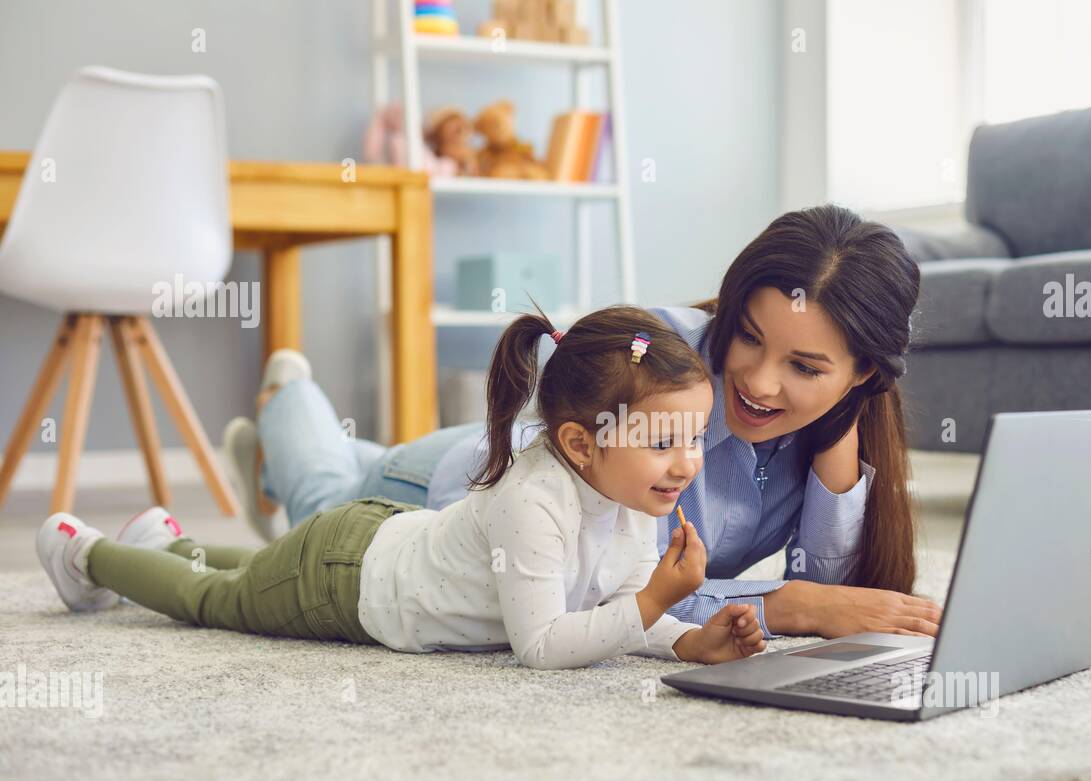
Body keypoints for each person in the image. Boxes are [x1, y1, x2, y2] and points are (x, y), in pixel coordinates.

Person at [225, 205, 943, 641]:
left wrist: (838, 434)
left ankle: (301, 448)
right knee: (319, 511)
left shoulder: (831, 426)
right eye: (748, 335)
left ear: (865, 375)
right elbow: (617, 594)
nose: (756, 381)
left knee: (341, 473)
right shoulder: (653, 349)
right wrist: (790, 608)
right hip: (452, 490)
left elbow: (838, 593)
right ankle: (290, 400)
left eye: (807, 368)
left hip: (469, 471)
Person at [35, 307, 765, 670]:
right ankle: (86, 552)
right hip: (346, 583)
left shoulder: (634, 497)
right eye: (665, 443)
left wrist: (687, 641)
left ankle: (168, 544)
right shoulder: (535, 502)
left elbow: (614, 613)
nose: (688, 463)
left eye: (694, 438)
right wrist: (656, 602)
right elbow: (542, 645)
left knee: (248, 570)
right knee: (212, 602)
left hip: (375, 537)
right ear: (580, 442)